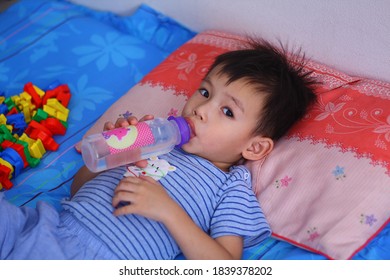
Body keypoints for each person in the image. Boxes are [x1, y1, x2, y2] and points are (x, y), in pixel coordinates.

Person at [0, 38, 317, 260]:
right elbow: (79, 187)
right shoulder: (153, 136)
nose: (201, 109)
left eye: (228, 111)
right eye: (205, 92)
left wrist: (168, 211)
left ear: (255, 146)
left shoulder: (231, 187)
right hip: (48, 224)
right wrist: (115, 155)